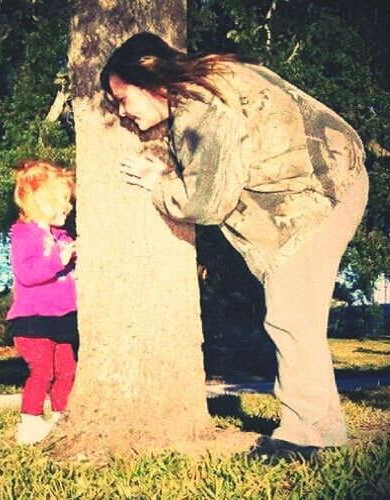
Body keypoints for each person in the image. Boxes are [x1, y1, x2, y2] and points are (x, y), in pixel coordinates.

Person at [100, 32, 368, 459]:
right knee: (294, 316)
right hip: (329, 181)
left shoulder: (199, 104)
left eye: (121, 96)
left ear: (147, 77)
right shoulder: (209, 85)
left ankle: (305, 435)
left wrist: (158, 184)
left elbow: (207, 201)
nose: (122, 110)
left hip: (320, 192)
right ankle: (320, 427)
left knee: (290, 317)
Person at [7, 160, 78, 445]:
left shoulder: (62, 236)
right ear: (40, 200)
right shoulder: (24, 234)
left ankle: (61, 416)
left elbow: (69, 276)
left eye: (69, 201)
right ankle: (30, 422)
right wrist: (57, 260)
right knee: (42, 372)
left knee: (67, 370)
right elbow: (26, 273)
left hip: (61, 318)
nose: (68, 206)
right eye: (62, 200)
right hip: (33, 321)